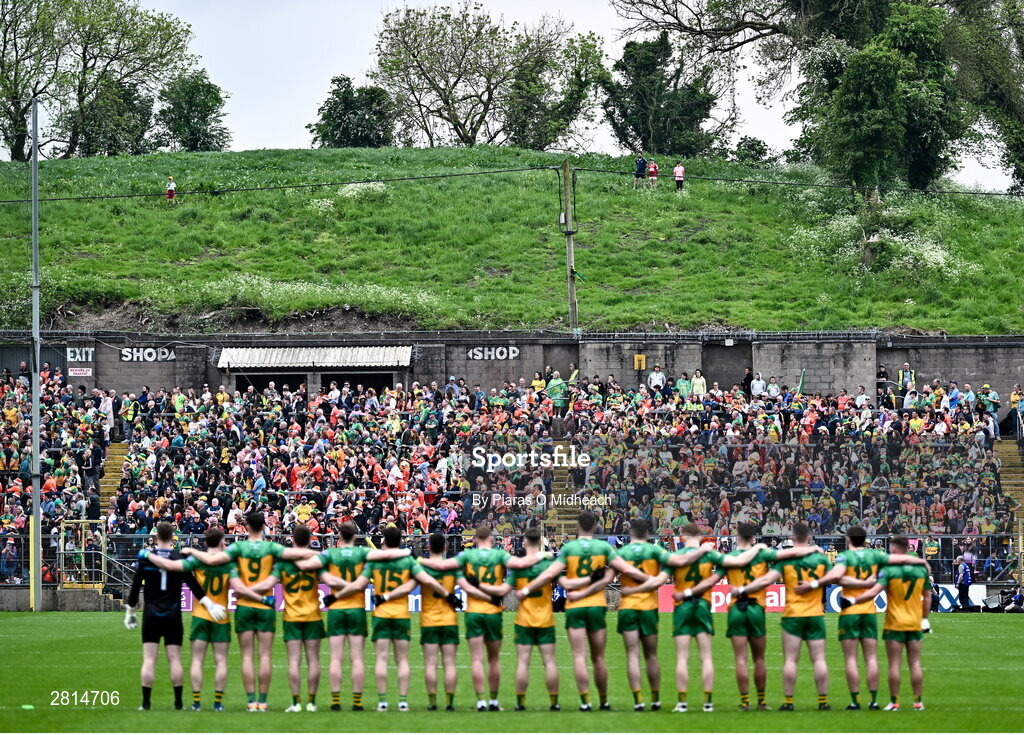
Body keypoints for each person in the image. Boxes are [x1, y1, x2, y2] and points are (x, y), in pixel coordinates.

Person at [516, 511, 649, 711]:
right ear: (594, 527)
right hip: (596, 605)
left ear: (578, 527)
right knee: (598, 658)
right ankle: (603, 701)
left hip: (575, 606)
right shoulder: (602, 546)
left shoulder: (570, 548)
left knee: (579, 656)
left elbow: (551, 572)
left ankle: (585, 702)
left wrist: (526, 588)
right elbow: (625, 568)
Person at [184, 511, 314, 711]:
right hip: (265, 606)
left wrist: (192, 551)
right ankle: (262, 701)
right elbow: (300, 553)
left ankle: (251, 701)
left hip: (244, 605)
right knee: (265, 656)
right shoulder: (271, 547)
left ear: (246, 527)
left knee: (246, 656)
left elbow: (211, 559)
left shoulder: (238, 547)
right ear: (264, 527)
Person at [796, 526, 929, 710]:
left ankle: (855, 701)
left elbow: (835, 575)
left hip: (850, 612)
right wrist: (923, 563)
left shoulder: (845, 557)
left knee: (851, 659)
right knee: (872, 658)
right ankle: (874, 701)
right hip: (869, 611)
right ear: (865, 539)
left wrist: (815, 583)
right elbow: (898, 557)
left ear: (848, 540)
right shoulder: (874, 555)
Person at [325, 526, 455, 712]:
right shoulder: (407, 560)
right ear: (401, 540)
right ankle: (402, 701)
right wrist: (447, 594)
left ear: (383, 541)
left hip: (381, 615)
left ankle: (382, 701)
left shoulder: (374, 562)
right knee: (402, 660)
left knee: (381, 659)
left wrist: (337, 596)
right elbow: (426, 580)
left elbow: (360, 584)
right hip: (401, 614)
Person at [420, 525, 540, 712]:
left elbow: (442, 565)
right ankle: (493, 701)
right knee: (493, 660)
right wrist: (543, 556)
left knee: (476, 659)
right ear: (491, 539)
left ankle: (480, 701)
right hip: (493, 611)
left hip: (473, 612)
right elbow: (519, 564)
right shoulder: (499, 555)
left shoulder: (467, 556)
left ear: (475, 539)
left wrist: (419, 561)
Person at [145, 527, 267, 711]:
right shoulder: (228, 563)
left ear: (204, 543)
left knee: (197, 660)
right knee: (221, 661)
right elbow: (237, 585)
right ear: (222, 542)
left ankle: (196, 702)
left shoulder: (196, 560)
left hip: (200, 615)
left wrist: (147, 556)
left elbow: (172, 566)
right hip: (221, 616)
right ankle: (217, 703)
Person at [295, 521, 407, 711]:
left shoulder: (330, 553)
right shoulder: (363, 553)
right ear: (355, 537)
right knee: (357, 659)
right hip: (356, 609)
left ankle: (336, 701)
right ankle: (356, 702)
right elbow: (388, 554)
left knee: (336, 658)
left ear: (338, 537)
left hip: (337, 609)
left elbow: (306, 565)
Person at [718, 522, 824, 711]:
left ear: (737, 536)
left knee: (741, 659)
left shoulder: (729, 557)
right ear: (753, 537)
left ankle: (744, 702)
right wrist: (813, 548)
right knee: (760, 659)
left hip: (738, 609)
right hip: (758, 609)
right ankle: (761, 702)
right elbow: (788, 554)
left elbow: (714, 578)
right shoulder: (763, 553)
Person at [128, 522, 227, 711]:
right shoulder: (179, 557)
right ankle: (179, 703)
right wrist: (208, 602)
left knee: (149, 659)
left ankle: (146, 703)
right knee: (175, 659)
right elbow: (193, 585)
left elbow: (135, 586)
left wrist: (130, 612)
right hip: (173, 614)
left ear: (156, 537)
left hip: (151, 613)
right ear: (173, 537)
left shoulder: (147, 558)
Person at [842, 536, 931, 711]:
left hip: (895, 623)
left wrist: (852, 601)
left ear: (895, 549)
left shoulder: (889, 571)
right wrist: (924, 618)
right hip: (914, 622)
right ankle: (918, 702)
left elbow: (872, 593)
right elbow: (927, 598)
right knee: (914, 663)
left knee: (894, 664)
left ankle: (895, 702)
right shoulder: (921, 571)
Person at [250, 525, 324, 712]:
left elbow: (268, 583)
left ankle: (296, 703)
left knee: (294, 661)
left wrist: (246, 590)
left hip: (291, 616)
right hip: (313, 615)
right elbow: (330, 580)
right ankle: (312, 703)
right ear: (309, 540)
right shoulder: (316, 560)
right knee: (313, 660)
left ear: (292, 538)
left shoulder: (284, 563)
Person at [506, 527, 560, 711]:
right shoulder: (549, 564)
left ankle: (520, 703)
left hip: (524, 620)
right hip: (545, 619)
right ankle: (554, 703)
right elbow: (564, 583)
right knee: (550, 663)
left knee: (522, 663)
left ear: (525, 542)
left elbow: (505, 589)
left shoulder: (520, 565)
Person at [418, 533, 463, 711]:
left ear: (428, 547)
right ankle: (449, 702)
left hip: (429, 619)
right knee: (449, 663)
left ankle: (432, 702)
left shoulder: (421, 566)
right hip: (449, 619)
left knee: (430, 663)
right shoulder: (452, 567)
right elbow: (467, 584)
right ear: (445, 547)